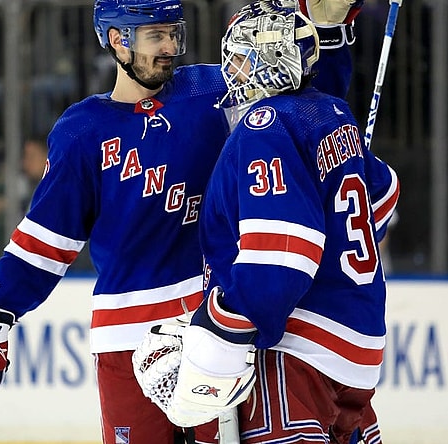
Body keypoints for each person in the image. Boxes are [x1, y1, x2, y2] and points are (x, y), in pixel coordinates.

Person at [0, 0, 363, 443]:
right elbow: (44, 240)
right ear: (117, 41)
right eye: (155, 36)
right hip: (125, 340)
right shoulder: (82, 132)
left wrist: (327, 32)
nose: (169, 47)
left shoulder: (214, 92)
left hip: (212, 335)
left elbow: (304, 103)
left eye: (173, 34)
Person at [133, 2, 398, 443]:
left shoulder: (265, 126)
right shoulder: (332, 113)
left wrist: (222, 324)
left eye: (239, 56)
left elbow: (283, 256)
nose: (230, 69)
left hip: (297, 350)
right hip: (357, 349)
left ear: (269, 61)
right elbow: (383, 197)